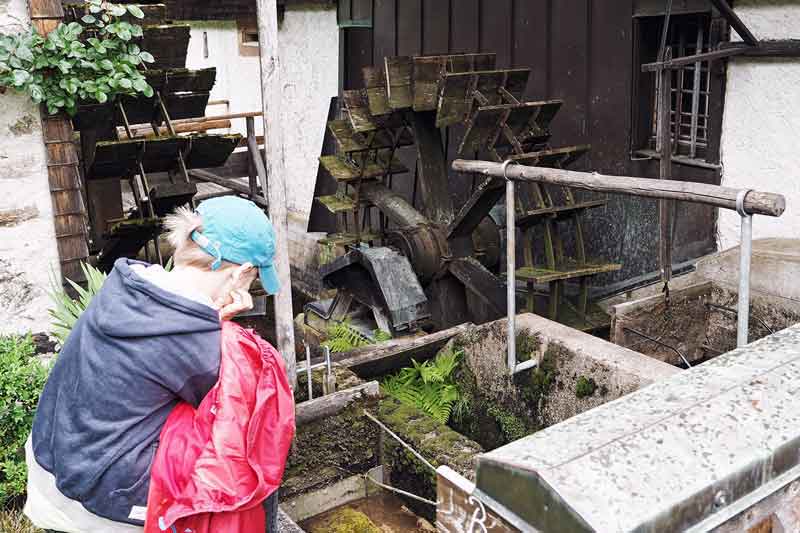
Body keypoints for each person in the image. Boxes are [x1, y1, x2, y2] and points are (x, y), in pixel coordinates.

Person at [24, 197, 287, 533]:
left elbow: (159, 351)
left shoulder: (128, 285)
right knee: (246, 454)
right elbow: (227, 413)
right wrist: (215, 330)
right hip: (98, 504)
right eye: (252, 280)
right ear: (241, 273)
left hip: (49, 463)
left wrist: (207, 320)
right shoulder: (196, 341)